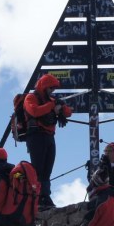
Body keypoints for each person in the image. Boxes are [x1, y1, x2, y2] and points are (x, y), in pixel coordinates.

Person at [24, 74, 72, 210]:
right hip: (36, 137)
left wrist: (61, 106)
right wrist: (53, 105)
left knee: (47, 170)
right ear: (44, 86)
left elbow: (68, 113)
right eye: (51, 88)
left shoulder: (51, 100)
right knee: (38, 170)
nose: (53, 91)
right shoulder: (31, 97)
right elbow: (34, 111)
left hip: (49, 136)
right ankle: (37, 198)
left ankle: (45, 196)